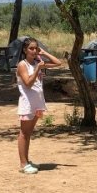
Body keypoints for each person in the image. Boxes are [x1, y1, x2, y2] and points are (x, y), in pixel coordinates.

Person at [15, 37, 62, 175]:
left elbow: (58, 63)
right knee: (24, 133)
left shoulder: (37, 62)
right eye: (31, 48)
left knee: (29, 133)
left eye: (36, 48)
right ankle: (23, 164)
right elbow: (28, 83)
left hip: (37, 103)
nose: (34, 51)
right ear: (25, 50)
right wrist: (37, 69)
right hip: (27, 103)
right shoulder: (22, 65)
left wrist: (44, 53)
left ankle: (27, 161)